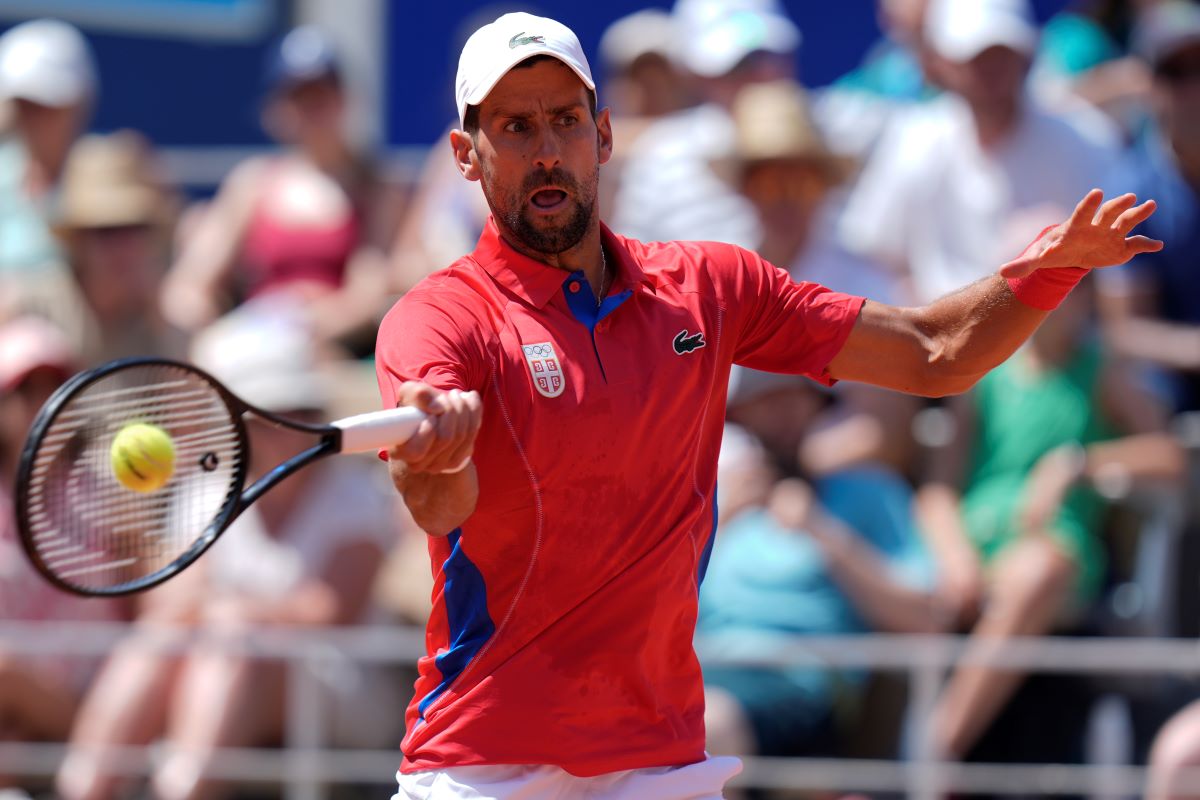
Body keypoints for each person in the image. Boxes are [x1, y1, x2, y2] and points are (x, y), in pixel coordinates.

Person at [374, 11, 1161, 799]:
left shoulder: (711, 286)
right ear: (464, 156)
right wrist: (434, 457)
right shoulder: (438, 319)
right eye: (514, 127)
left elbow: (934, 354)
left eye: (565, 120)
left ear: (603, 135)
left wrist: (1048, 273)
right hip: (484, 769)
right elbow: (443, 504)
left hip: (661, 762)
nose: (546, 150)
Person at [56, 310, 401, 800]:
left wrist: (229, 612)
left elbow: (329, 611)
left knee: (229, 637)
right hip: (227, 660)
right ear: (246, 424)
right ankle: (84, 792)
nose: (294, 424)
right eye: (278, 410)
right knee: (169, 638)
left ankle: (180, 793)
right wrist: (220, 614)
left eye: (304, 408)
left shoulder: (354, 495)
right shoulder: (207, 490)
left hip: (346, 688)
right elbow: (169, 606)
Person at [916, 279, 1184, 762]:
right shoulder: (984, 376)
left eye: (1071, 285)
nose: (1056, 299)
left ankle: (935, 755)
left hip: (1051, 551)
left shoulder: (1102, 373)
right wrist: (955, 557)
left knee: (1039, 572)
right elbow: (937, 491)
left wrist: (1081, 463)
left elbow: (1170, 456)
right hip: (973, 550)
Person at [839, 0, 1120, 305]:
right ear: (940, 62)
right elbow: (874, 255)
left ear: (1026, 55)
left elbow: (1119, 266)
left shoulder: (1086, 138)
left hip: (1058, 337)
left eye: (1002, 52)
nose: (990, 69)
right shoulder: (912, 140)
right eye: (974, 56)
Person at [159, 25, 391, 356]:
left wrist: (300, 330)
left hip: (336, 358)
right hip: (258, 351)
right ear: (278, 108)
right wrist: (213, 336)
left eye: (321, 95)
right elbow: (190, 284)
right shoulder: (252, 183)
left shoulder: (376, 188)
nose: (312, 109)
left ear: (343, 100)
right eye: (299, 97)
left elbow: (366, 297)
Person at [0, 317, 128, 791]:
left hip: (96, 705)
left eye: (55, 388)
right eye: (25, 390)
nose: (42, 404)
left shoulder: (112, 495)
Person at [1096, 0, 1200, 414]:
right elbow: (1123, 328)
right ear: (1149, 88)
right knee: (1132, 381)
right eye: (1176, 73)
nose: (1194, 91)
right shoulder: (1129, 193)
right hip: (1171, 389)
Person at [0, 19, 99, 350]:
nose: (34, 118)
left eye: (47, 105)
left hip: (83, 347)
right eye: (23, 106)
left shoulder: (110, 176)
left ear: (81, 105)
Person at [53, 130, 184, 364]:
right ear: (78, 240)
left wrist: (162, 322)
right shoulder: (28, 307)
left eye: (135, 227)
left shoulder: (167, 323)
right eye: (106, 231)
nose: (123, 246)